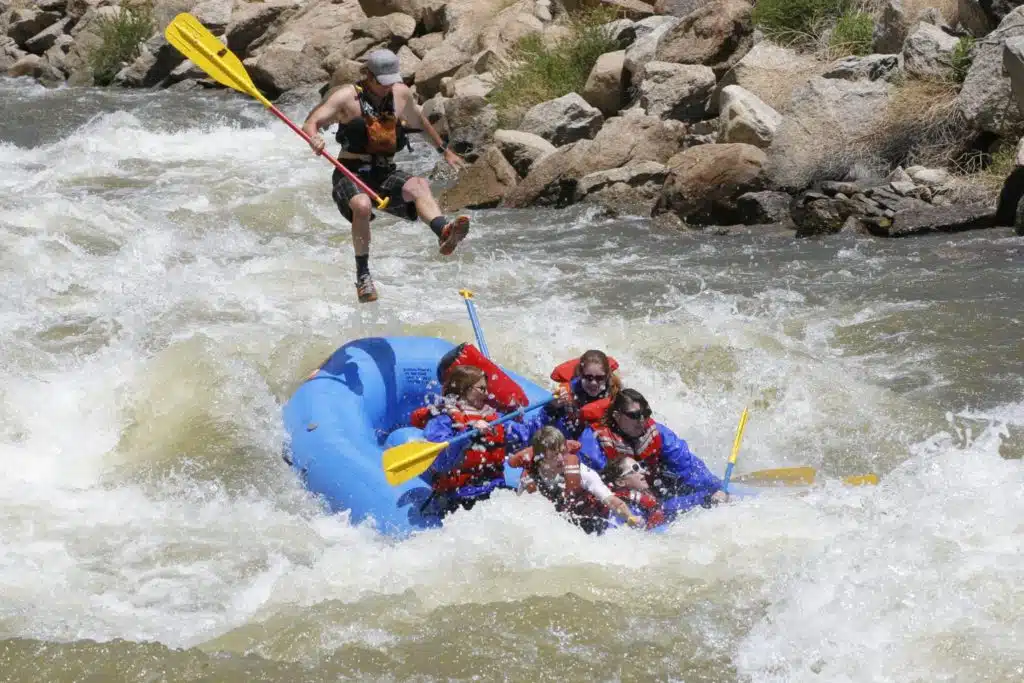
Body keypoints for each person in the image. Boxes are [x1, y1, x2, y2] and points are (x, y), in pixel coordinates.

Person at [301, 48, 470, 303]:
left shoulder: (400, 93)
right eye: (383, 82)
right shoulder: (347, 98)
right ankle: (363, 276)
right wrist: (314, 138)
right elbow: (311, 122)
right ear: (368, 76)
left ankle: (443, 231)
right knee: (361, 204)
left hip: (384, 171)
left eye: (391, 80)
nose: (387, 87)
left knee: (419, 185)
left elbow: (419, 122)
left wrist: (443, 151)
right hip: (351, 171)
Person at [578, 388, 728, 518]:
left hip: (654, 487)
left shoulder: (659, 433)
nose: (641, 420)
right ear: (617, 416)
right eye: (634, 415)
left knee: (703, 490)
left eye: (646, 413)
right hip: (615, 495)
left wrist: (716, 489)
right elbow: (588, 481)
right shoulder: (594, 440)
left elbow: (688, 467)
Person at [422, 365, 547, 519]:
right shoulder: (442, 420)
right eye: (481, 389)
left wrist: (550, 410)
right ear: (464, 388)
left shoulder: (493, 418)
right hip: (460, 497)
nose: (487, 394)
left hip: (494, 493)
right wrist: (469, 433)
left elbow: (526, 436)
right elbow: (440, 461)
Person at [508, 426, 643, 534]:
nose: (562, 459)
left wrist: (630, 517)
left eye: (563, 452)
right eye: (555, 455)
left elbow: (612, 501)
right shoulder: (529, 480)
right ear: (541, 459)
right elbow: (522, 516)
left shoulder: (580, 471)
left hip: (593, 527)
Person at [547, 349, 622, 439]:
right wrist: (549, 410)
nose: (594, 383)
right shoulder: (569, 392)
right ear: (581, 375)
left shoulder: (617, 397)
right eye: (588, 377)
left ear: (606, 376)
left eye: (599, 378)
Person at [602, 456, 667, 530]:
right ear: (620, 482)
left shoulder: (640, 500)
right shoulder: (621, 510)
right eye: (635, 468)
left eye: (641, 466)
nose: (643, 471)